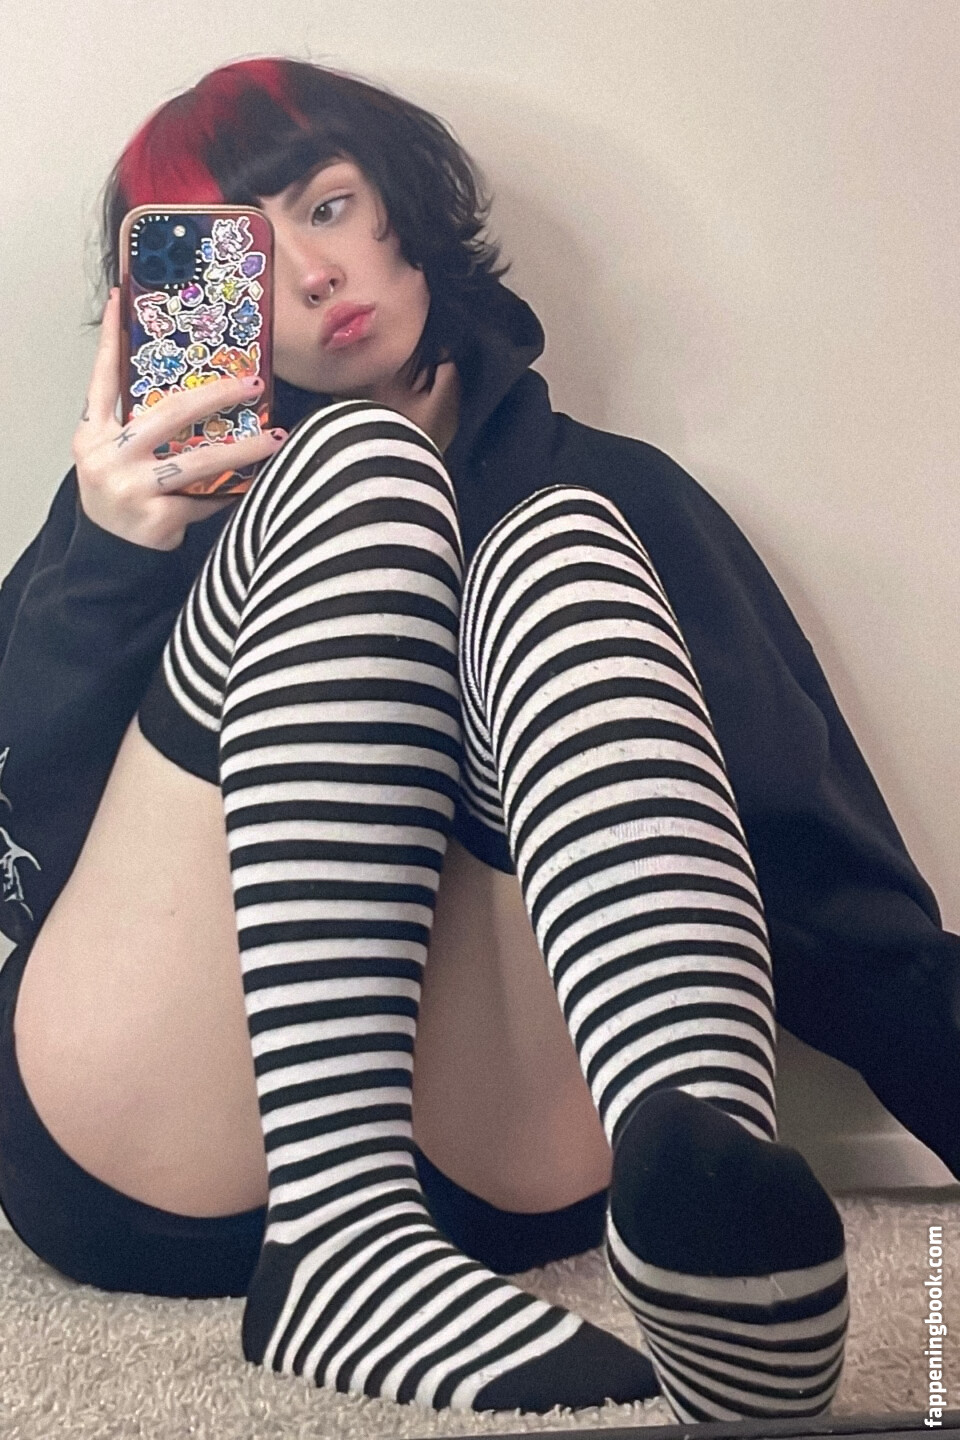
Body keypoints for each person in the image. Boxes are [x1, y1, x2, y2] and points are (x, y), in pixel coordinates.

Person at [0, 54, 954, 1420]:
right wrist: (107, 568)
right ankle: (341, 1249)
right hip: (160, 1135)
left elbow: (815, 871)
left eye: (327, 205)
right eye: (247, 255)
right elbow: (24, 856)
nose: (311, 273)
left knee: (561, 543)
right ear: (183, 307)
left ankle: (713, 1246)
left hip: (497, 1144)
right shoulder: (140, 513)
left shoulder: (610, 496)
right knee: (360, 471)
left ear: (403, 202)